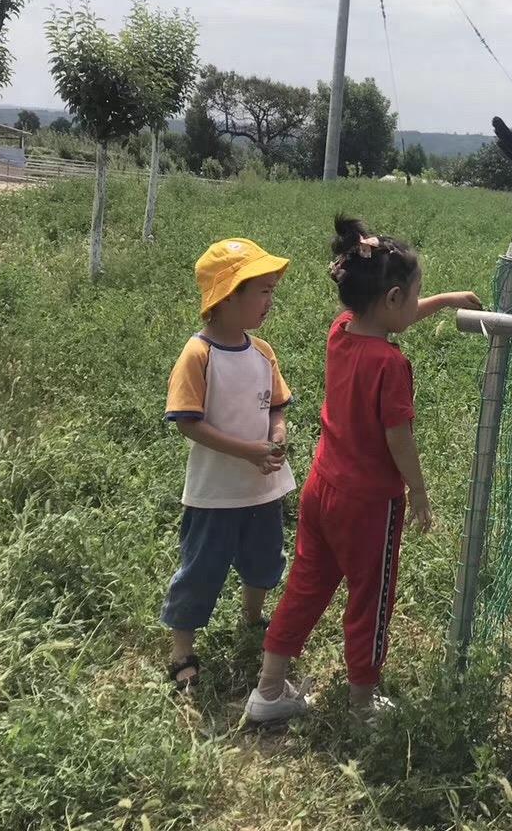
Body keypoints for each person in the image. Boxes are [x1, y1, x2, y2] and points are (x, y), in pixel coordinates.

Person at [244, 215, 481, 725]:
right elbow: (399, 437)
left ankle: (268, 689)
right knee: (371, 599)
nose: (418, 304)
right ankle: (361, 701)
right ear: (394, 298)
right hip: (369, 504)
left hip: (322, 486)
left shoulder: (342, 330)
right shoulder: (391, 365)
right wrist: (417, 490)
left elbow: (392, 315)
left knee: (307, 582)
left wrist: (444, 300)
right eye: (415, 296)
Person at [162, 238, 296, 692]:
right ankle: (182, 650)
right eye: (261, 291)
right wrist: (249, 451)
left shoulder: (263, 352)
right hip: (215, 490)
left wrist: (276, 434)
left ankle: (253, 618)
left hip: (262, 486)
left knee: (263, 559)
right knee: (201, 567)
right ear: (227, 295)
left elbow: (277, 406)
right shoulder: (198, 355)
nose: (269, 302)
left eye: (271, 292)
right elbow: (188, 423)